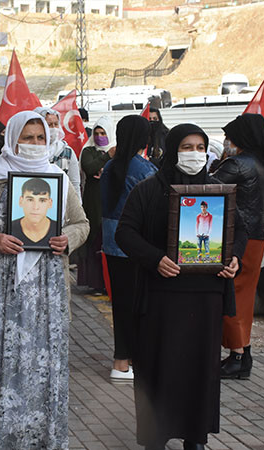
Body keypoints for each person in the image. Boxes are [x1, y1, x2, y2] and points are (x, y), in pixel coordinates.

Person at [0, 111, 89, 449]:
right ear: (11, 139)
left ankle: (38, 435)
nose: (35, 145)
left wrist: (68, 237)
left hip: (45, 294)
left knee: (42, 361)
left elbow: (81, 222)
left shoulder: (58, 177)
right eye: (27, 138)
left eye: (40, 138)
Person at [116, 123, 247, 450]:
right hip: (162, 297)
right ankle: (155, 437)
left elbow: (239, 233)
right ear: (173, 149)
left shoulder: (218, 190)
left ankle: (196, 436)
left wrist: (234, 260)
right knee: (159, 369)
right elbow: (125, 234)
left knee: (199, 372)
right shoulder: (148, 189)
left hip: (205, 298)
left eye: (201, 147)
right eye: (187, 147)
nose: (195, 154)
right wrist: (155, 258)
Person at [210, 113, 264, 379]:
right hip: (257, 238)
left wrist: (215, 165)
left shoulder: (238, 164)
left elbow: (208, 187)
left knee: (232, 294)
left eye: (229, 137)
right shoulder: (263, 163)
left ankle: (237, 355)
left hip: (239, 239)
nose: (226, 142)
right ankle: (243, 353)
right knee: (244, 297)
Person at [100, 115, 157, 382]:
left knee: (121, 305)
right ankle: (127, 361)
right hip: (139, 246)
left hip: (113, 245)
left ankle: (122, 360)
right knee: (141, 306)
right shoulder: (145, 170)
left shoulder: (110, 166)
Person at [79, 115, 115, 293]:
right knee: (94, 240)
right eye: (97, 133)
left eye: (103, 133)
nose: (100, 136)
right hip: (93, 202)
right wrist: (106, 157)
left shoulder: (117, 150)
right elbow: (90, 167)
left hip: (111, 201)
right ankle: (95, 282)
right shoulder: (88, 150)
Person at [35, 106, 81, 197]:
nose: (53, 128)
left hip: (61, 201)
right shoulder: (29, 151)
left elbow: (74, 184)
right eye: (49, 124)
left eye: (55, 124)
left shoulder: (67, 152)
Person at [11, 178, 59, 246]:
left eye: (42, 201)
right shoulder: (10, 228)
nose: (35, 207)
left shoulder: (59, 230)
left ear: (50, 203)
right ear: (21, 201)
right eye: (30, 200)